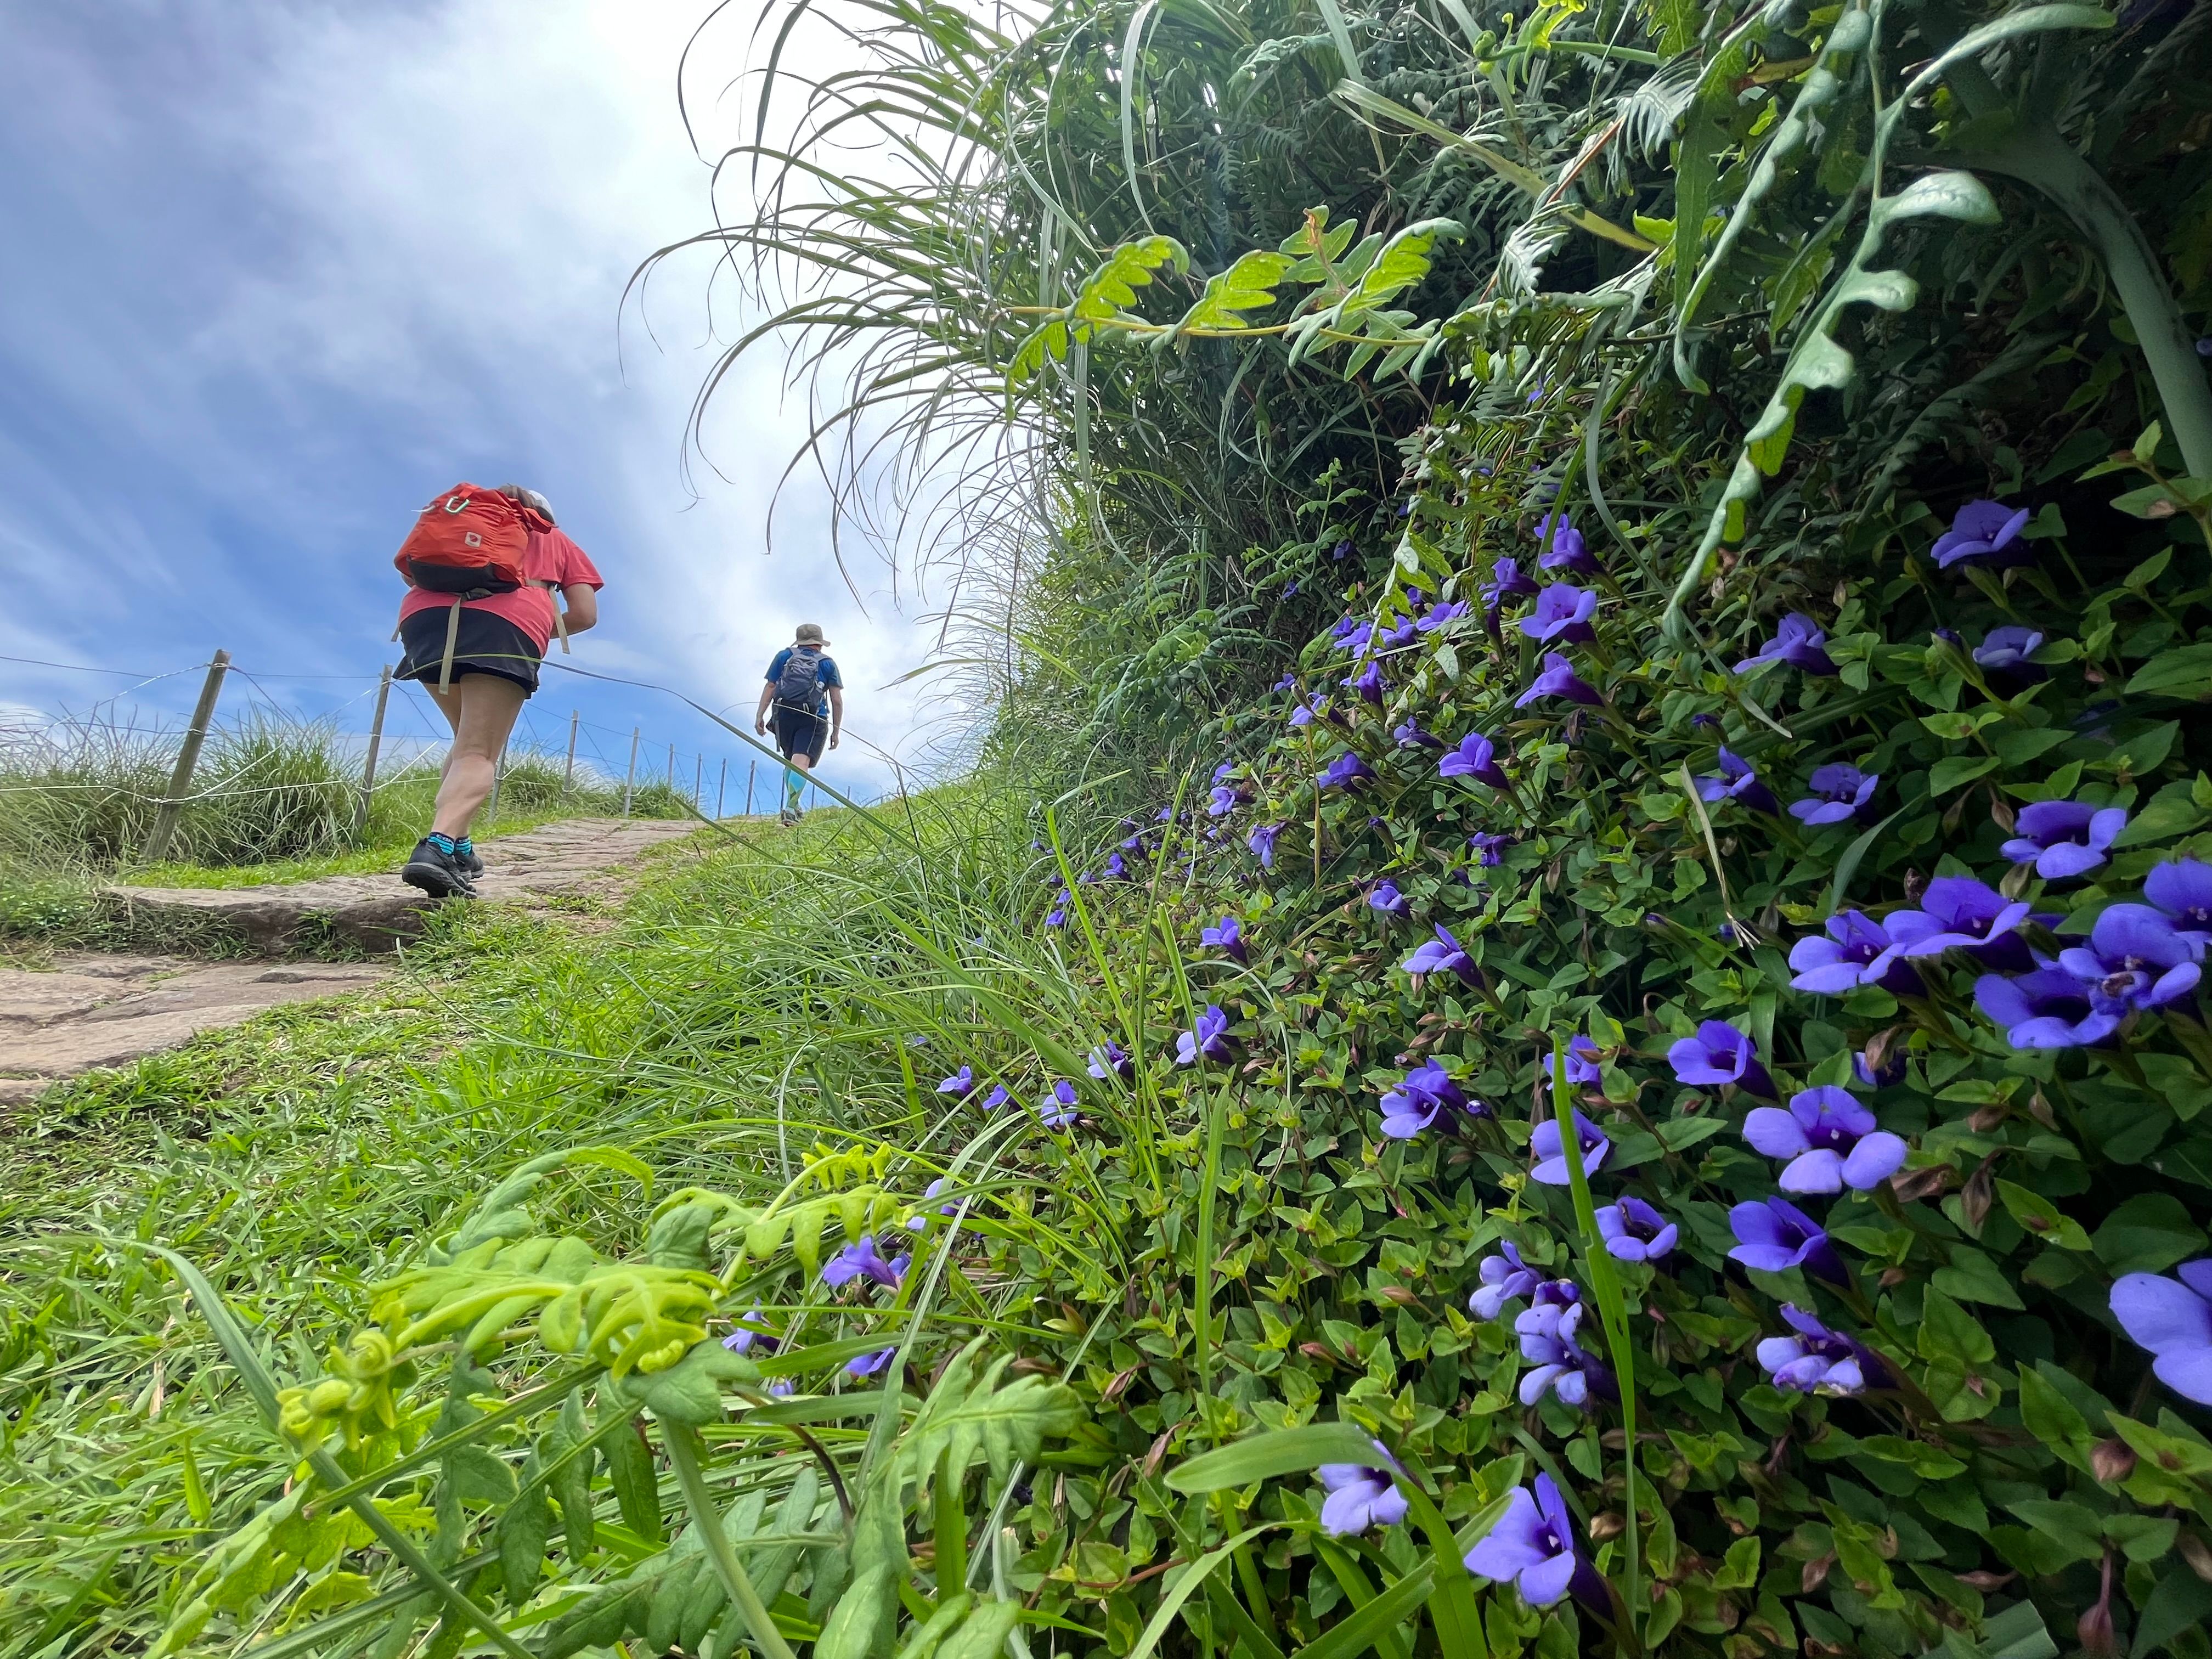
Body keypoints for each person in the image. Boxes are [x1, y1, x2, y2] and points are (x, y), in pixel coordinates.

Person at [392, 484, 601, 896]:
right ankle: (437, 846)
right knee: (479, 751)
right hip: (504, 627)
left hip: (424, 622)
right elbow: (585, 614)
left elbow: (408, 573)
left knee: (466, 742)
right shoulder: (554, 538)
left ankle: (461, 846)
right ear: (543, 513)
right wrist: (539, 626)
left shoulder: (453, 519)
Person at [754, 623, 842, 823]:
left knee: (790, 762)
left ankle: (793, 805)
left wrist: (760, 714)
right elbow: (836, 700)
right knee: (801, 763)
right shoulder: (827, 663)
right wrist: (836, 732)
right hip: (812, 717)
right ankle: (791, 808)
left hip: (783, 714)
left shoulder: (784, 656)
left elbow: (770, 686)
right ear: (819, 644)